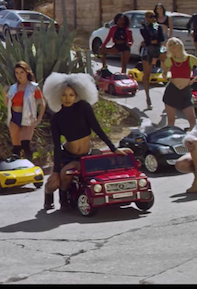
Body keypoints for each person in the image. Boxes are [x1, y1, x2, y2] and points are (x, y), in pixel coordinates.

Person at [42, 73, 132, 211]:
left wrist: (114, 149)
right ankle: (49, 194)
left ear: (77, 94)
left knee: (69, 175)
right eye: (64, 95)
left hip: (86, 155)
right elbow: (56, 146)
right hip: (67, 155)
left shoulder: (83, 107)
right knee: (56, 181)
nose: (67, 98)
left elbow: (98, 129)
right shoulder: (56, 119)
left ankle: (65, 197)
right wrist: (55, 171)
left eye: (71, 95)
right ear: (57, 95)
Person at [160, 37, 197, 129]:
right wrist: (165, 74)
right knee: (171, 122)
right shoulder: (169, 60)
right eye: (170, 45)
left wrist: (193, 79)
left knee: (192, 120)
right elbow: (164, 73)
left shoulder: (190, 58)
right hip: (172, 90)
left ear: (180, 44)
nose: (173, 46)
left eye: (175, 43)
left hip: (185, 91)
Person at [3, 61, 45, 160]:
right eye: (17, 73)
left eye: (21, 72)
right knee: (16, 147)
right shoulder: (13, 88)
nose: (19, 75)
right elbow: (7, 103)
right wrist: (4, 93)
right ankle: (17, 168)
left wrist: (38, 119)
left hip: (28, 117)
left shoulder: (33, 87)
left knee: (25, 144)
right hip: (14, 117)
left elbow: (42, 103)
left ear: (27, 72)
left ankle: (29, 166)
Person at [139, 10, 167, 110]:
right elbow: (147, 38)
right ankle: (148, 98)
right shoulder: (144, 28)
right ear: (146, 18)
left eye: (153, 16)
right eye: (150, 16)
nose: (152, 18)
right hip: (148, 49)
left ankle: (165, 72)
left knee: (166, 56)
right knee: (147, 75)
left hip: (157, 48)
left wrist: (154, 41)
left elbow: (161, 38)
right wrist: (145, 26)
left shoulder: (158, 27)